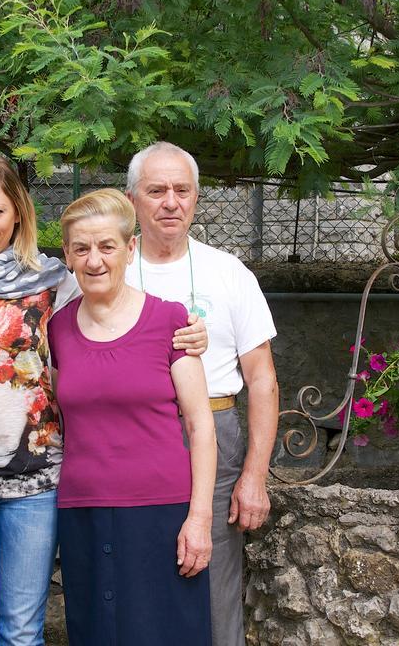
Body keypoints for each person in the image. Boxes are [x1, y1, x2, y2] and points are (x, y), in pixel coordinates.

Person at [0, 160, 208, 646]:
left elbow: (115, 300)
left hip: (38, 478)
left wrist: (189, 331)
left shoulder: (54, 286)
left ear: (18, 214)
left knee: (23, 629)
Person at [125, 142, 279, 646]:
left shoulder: (229, 272)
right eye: (156, 190)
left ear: (195, 198)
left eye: (182, 190)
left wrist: (255, 474)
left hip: (216, 435)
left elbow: (262, 380)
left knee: (212, 577)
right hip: (133, 437)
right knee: (139, 580)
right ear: (133, 200)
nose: (170, 201)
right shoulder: (108, 267)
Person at [48, 188, 216, 645]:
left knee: (168, 632)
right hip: (83, 510)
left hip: (161, 513)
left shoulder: (170, 321)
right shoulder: (57, 328)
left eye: (106, 246)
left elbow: (201, 426)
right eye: (81, 248)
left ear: (130, 248)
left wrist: (199, 519)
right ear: (67, 255)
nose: (95, 260)